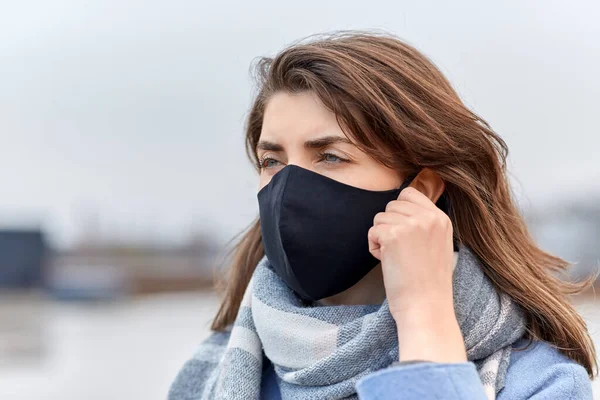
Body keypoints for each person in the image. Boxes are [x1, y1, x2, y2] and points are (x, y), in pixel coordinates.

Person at [169, 31, 596, 399]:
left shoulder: (537, 383)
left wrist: (424, 316)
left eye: (330, 156)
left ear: (420, 189)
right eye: (272, 161)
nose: (287, 188)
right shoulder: (211, 371)